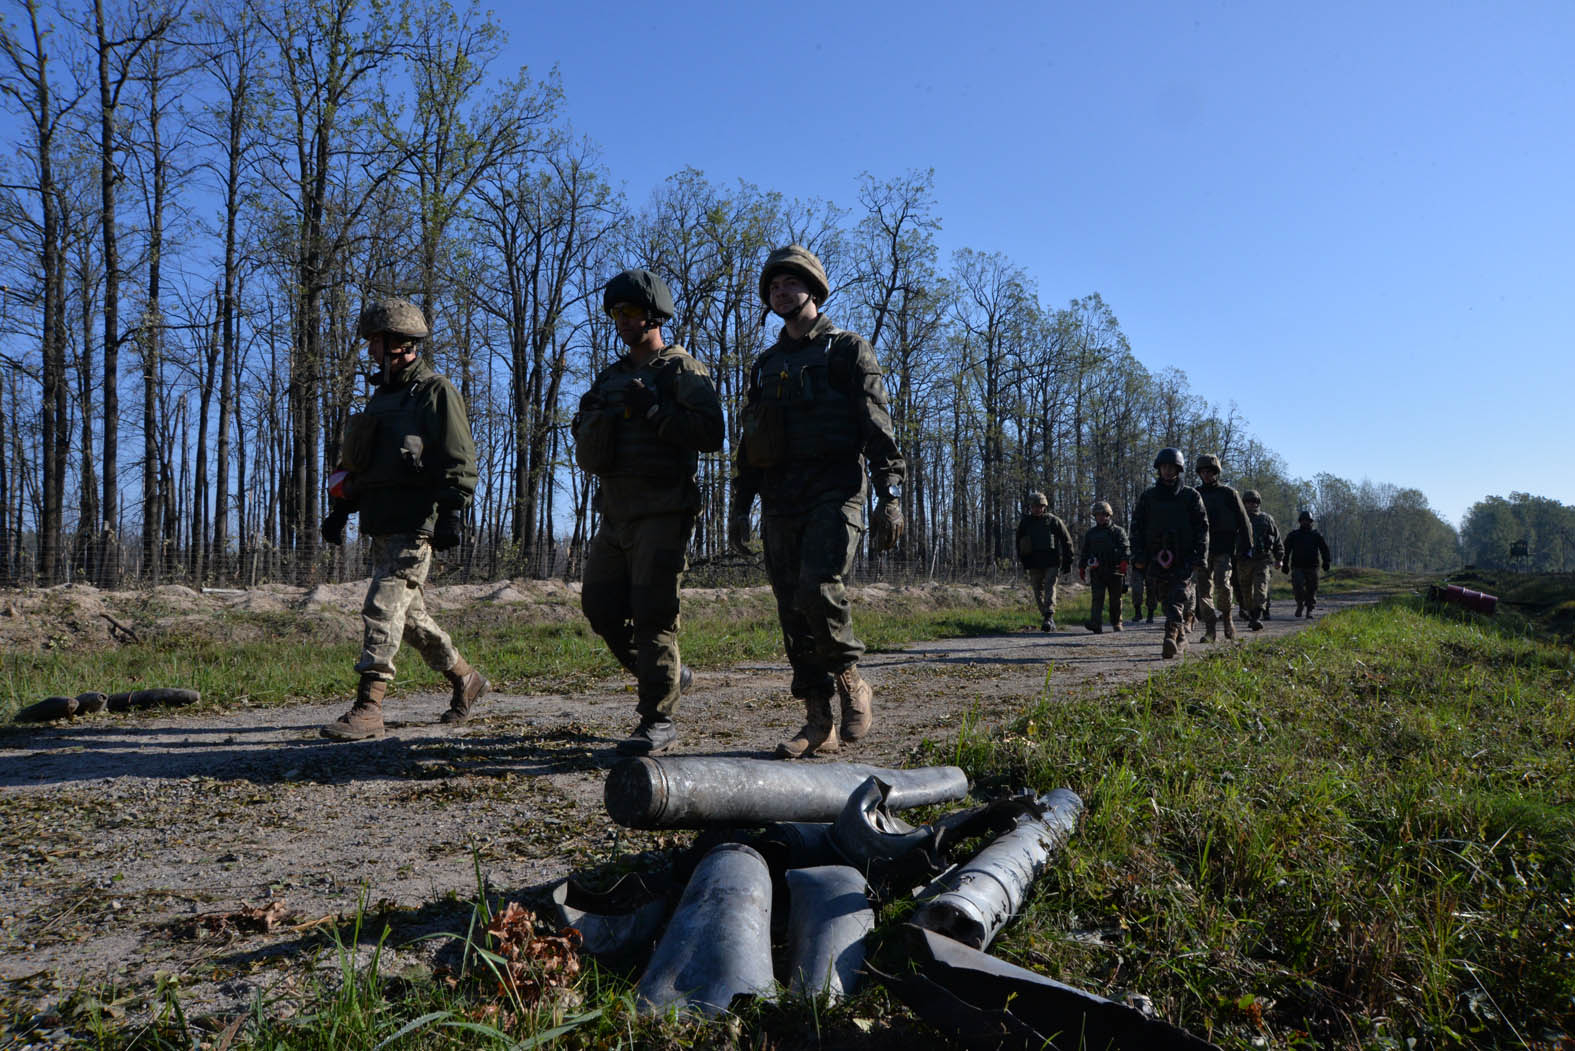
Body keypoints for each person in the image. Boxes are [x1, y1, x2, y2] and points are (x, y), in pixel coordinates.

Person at [730, 245, 906, 759]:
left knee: (818, 586)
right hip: (781, 499)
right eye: (772, 286)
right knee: (791, 607)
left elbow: (878, 428)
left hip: (837, 491)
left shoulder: (847, 350)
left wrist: (890, 495)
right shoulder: (765, 365)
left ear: (813, 288)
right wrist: (741, 504)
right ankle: (817, 719)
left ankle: (852, 680)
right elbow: (751, 442)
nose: (779, 292)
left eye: (789, 283)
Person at [319, 296, 487, 741]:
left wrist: (452, 511)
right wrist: (340, 510)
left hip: (415, 524)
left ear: (399, 344)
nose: (370, 351)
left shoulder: (435, 392)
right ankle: (466, 679)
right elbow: (361, 465)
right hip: (380, 521)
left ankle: (369, 706)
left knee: (380, 608)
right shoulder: (380, 401)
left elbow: (459, 456)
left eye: (375, 342)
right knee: (409, 620)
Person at [573, 269, 725, 755]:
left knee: (653, 614)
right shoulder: (612, 375)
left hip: (663, 511)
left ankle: (657, 719)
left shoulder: (682, 370)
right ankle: (670, 674)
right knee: (599, 606)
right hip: (614, 513)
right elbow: (584, 431)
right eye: (616, 313)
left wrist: (656, 412)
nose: (622, 321)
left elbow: (711, 434)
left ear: (655, 316)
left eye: (632, 312)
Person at [1130, 447, 1209, 659]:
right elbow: (1136, 527)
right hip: (1154, 556)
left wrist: (1200, 556)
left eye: (1171, 467)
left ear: (1178, 469)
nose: (1167, 471)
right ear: (1158, 469)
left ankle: (1170, 635)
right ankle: (1181, 635)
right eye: (1164, 467)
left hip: (1183, 556)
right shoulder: (1148, 497)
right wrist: (1137, 555)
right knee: (1164, 598)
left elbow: (1202, 528)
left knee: (1178, 595)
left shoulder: (1191, 496)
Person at [1191, 454, 1252, 643]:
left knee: (1223, 586)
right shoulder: (1194, 495)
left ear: (1216, 472)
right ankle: (1210, 628)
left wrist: (1247, 546)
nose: (1206, 475)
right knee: (1203, 591)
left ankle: (1227, 617)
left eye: (1210, 471)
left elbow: (1244, 521)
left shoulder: (1228, 494)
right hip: (1201, 550)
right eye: (1203, 472)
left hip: (1224, 548)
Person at [1016, 492, 1074, 631]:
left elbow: (1067, 541)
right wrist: (1023, 561)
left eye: (1040, 506)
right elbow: (1019, 543)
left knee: (1049, 586)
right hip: (1033, 562)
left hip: (1051, 561)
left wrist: (1067, 561)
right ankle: (1047, 618)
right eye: (1035, 506)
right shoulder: (1025, 523)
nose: (1037, 509)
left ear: (1045, 506)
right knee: (1037, 591)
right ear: (1030, 507)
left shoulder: (1053, 521)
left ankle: (1049, 615)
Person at [1078, 501, 1130, 633]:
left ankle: (1117, 623)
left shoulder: (1118, 531)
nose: (1101, 517)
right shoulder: (1091, 533)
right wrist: (1082, 567)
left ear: (1109, 515)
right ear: (1094, 517)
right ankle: (1096, 623)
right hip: (1097, 571)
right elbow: (1085, 551)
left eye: (1104, 515)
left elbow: (1125, 548)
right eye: (1098, 515)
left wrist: (1124, 562)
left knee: (1115, 600)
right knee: (1097, 599)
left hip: (1115, 570)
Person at [1235, 489, 1283, 630]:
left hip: (1262, 560)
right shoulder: (1238, 519)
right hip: (1243, 560)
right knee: (1246, 591)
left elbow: (1277, 539)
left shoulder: (1266, 519)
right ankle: (1251, 614)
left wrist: (1279, 558)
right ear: (1244, 504)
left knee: (1260, 588)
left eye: (1255, 502)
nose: (1252, 505)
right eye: (1249, 502)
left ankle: (1257, 616)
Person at [1282, 510, 1332, 616]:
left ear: (1311, 522)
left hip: (1313, 566)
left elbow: (1324, 549)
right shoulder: (1293, 535)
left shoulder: (1316, 535)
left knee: (1312, 588)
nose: (1306, 523)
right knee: (1298, 587)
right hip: (1297, 566)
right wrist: (1284, 563)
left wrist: (1326, 562)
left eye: (1308, 521)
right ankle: (1300, 604)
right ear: (1300, 522)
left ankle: (1309, 609)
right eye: (1304, 521)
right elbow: (1286, 550)